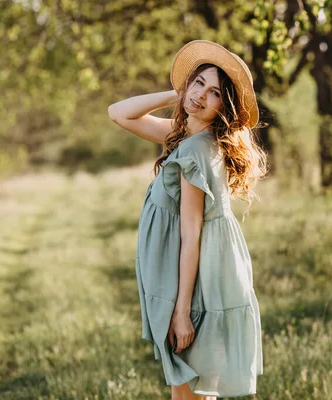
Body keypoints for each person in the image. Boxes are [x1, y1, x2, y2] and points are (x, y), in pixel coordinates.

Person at [107, 40, 268, 400]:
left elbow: (191, 235)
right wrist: (178, 94)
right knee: (198, 390)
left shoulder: (194, 151)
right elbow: (118, 112)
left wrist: (181, 311)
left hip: (193, 280)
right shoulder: (187, 138)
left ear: (223, 108)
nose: (200, 96)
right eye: (198, 83)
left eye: (213, 94)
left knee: (188, 392)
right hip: (198, 272)